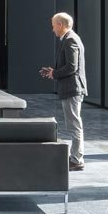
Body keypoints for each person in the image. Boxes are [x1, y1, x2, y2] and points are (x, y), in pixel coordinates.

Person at [39, 11, 86, 171]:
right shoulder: (71, 38)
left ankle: (77, 160)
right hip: (72, 88)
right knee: (74, 124)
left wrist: (55, 73)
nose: (53, 29)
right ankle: (76, 157)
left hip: (72, 89)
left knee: (74, 125)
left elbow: (72, 67)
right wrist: (54, 71)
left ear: (60, 25)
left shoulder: (70, 40)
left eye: (53, 26)